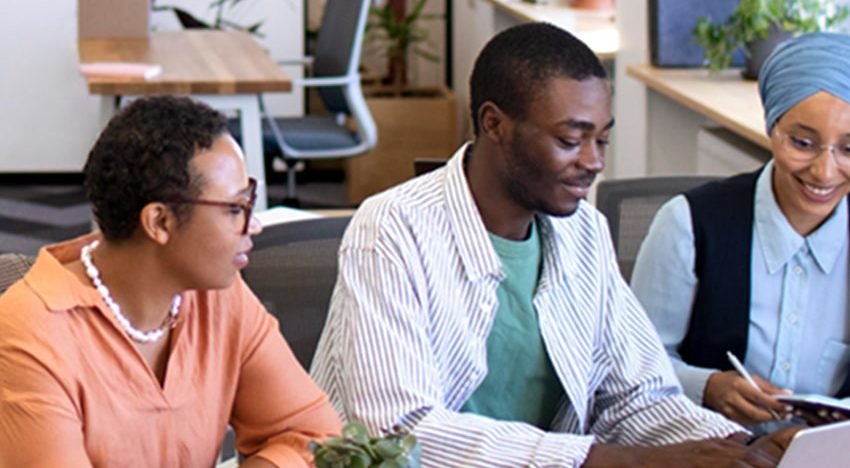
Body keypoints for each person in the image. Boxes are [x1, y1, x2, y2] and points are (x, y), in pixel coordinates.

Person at [310, 23, 798, 466]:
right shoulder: (393, 230)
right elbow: (400, 433)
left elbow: (635, 397)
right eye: (570, 140)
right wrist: (608, 461)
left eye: (601, 141)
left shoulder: (583, 231)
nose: (593, 163)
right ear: (494, 124)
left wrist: (742, 448)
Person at [0, 96, 341, 467]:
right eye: (234, 209)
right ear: (160, 222)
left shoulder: (220, 297)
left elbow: (314, 437)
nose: (253, 224)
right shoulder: (30, 332)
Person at [631, 31, 850, 428]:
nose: (824, 171)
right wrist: (707, 387)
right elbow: (633, 364)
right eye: (802, 143)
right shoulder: (688, 226)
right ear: (772, 128)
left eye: (849, 149)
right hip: (708, 446)